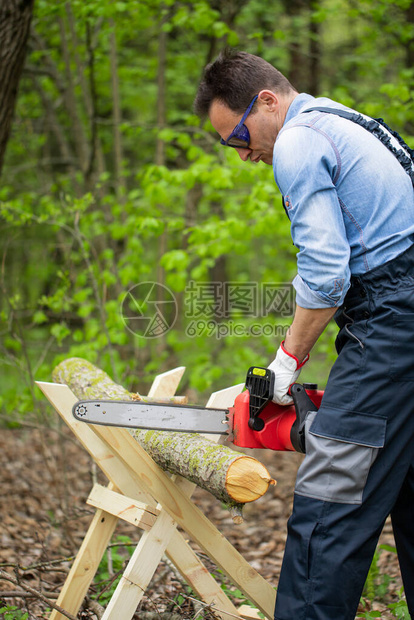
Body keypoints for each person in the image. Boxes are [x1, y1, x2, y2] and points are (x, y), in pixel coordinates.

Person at [194, 48, 414, 620]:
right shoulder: (345, 120)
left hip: (393, 319)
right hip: (397, 311)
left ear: (268, 101)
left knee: (329, 499)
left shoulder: (297, 139)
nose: (244, 156)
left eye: (239, 137)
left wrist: (286, 363)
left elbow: (325, 274)